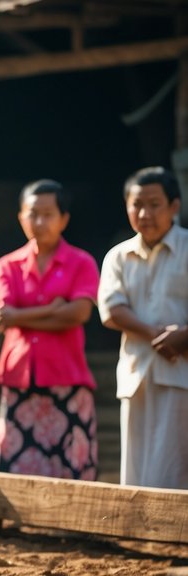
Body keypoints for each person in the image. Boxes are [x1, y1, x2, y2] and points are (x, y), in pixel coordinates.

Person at [0, 180, 100, 481]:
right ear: (20, 218)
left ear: (64, 219)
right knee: (18, 461)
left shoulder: (82, 262)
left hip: (66, 374)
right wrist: (53, 310)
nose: (39, 221)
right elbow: (1, 317)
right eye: (32, 213)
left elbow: (79, 314)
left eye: (48, 214)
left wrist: (21, 316)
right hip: (20, 375)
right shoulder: (7, 265)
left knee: (70, 461)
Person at [97, 166, 188, 489]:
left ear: (174, 206)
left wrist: (184, 337)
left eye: (154, 204)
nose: (144, 213)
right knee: (137, 464)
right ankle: (142, 537)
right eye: (137, 204)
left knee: (177, 462)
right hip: (136, 373)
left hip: (182, 373)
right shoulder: (118, 257)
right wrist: (159, 335)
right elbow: (111, 311)